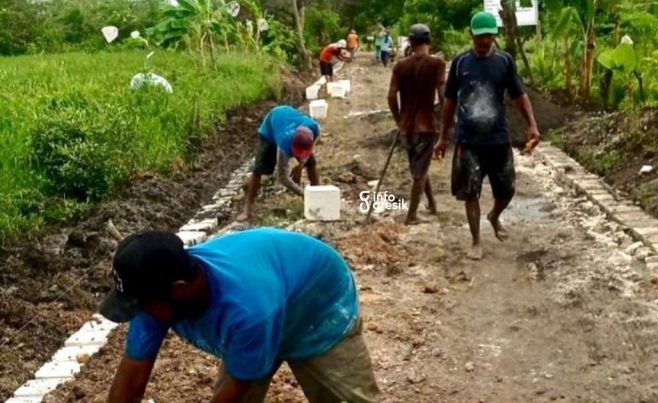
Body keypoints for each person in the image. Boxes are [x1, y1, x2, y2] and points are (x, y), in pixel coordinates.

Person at [100, 228, 380, 402]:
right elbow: (130, 383)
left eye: (143, 306)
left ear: (180, 289)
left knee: (348, 399)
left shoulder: (248, 312)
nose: (141, 314)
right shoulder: (153, 296)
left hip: (317, 305)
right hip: (268, 293)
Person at [437, 11, 541, 261]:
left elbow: (519, 94)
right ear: (472, 36)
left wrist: (532, 125)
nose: (484, 41)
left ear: (494, 36)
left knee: (507, 190)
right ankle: (476, 240)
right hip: (468, 140)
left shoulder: (504, 62)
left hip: (498, 138)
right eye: (479, 37)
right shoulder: (461, 63)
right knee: (470, 192)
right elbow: (449, 100)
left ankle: (494, 215)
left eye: (488, 37)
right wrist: (443, 136)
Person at [387, 24, 446, 225]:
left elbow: (391, 96)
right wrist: (445, 120)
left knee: (419, 166)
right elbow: (443, 96)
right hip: (427, 127)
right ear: (428, 42)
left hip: (407, 128)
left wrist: (398, 119)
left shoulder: (400, 66)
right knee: (419, 172)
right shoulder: (437, 63)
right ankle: (411, 215)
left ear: (411, 43)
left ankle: (431, 203)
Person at [238, 105, 320, 222]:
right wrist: (303, 194)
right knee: (258, 169)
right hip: (270, 128)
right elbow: (282, 178)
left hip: (287, 116)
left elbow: (309, 149)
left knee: (311, 163)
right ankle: (247, 209)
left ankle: (317, 194)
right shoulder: (283, 143)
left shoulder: (313, 128)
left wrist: (301, 164)